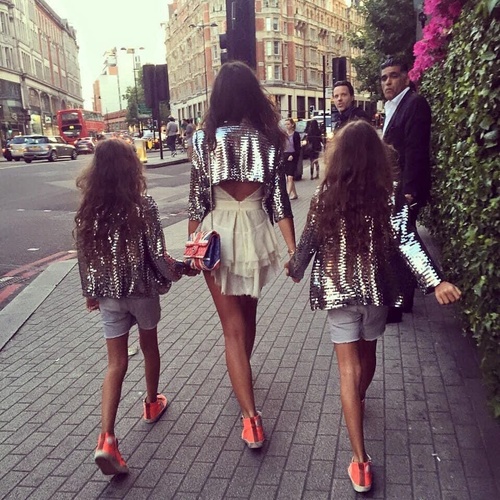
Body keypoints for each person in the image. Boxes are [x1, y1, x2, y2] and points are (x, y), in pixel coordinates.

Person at [285, 121, 461, 493]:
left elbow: (309, 241)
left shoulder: (325, 193)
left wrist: (296, 268)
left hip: (338, 292)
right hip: (377, 291)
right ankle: (360, 399)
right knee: (369, 354)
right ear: (378, 155)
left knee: (346, 371)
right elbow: (407, 242)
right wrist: (436, 281)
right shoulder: (390, 194)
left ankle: (360, 460)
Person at [188, 61, 296, 449]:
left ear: (218, 97)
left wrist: (191, 247)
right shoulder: (270, 138)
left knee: (231, 328)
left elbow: (197, 201)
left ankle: (251, 417)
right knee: (248, 318)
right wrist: (293, 250)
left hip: (216, 233)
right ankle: (244, 383)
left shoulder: (203, 141)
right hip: (254, 231)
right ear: (252, 95)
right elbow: (279, 200)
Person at [75, 138, 190, 476]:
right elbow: (157, 255)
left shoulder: (90, 209)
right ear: (131, 168)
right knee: (149, 346)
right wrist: (178, 270)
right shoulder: (144, 206)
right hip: (142, 292)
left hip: (109, 296)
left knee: (115, 363)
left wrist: (90, 292)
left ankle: (107, 438)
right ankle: (152, 403)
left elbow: (85, 256)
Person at [381, 56, 432, 322]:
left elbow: (416, 149)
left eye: (393, 76)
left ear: (406, 77)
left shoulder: (414, 103)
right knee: (400, 238)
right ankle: (403, 300)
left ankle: (399, 304)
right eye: (384, 78)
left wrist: (410, 190)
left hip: (405, 188)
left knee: (401, 240)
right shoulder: (394, 106)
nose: (388, 82)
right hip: (395, 187)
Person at [283, 117, 301, 199]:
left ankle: (287, 195)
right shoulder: (283, 134)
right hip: (285, 156)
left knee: (290, 177)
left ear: (292, 125)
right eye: (285, 124)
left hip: (293, 157)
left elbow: (298, 148)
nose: (287, 126)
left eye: (288, 124)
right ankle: (294, 194)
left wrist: (293, 156)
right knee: (289, 176)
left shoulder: (296, 134)